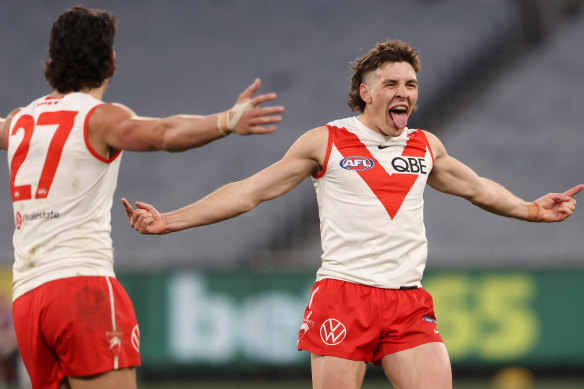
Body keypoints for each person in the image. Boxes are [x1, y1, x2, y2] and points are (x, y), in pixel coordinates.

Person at [122, 39, 582, 389]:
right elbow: (249, 192)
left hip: (407, 301)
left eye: (411, 85)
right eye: (392, 84)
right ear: (365, 92)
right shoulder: (326, 142)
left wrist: (531, 210)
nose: (404, 93)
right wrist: (171, 220)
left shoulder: (424, 146)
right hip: (345, 297)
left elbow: (478, 189)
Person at [0, 5, 284, 389]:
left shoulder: (19, 121)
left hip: (28, 301)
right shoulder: (98, 118)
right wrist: (226, 121)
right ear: (111, 62)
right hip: (81, 289)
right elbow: (164, 133)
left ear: (50, 61)